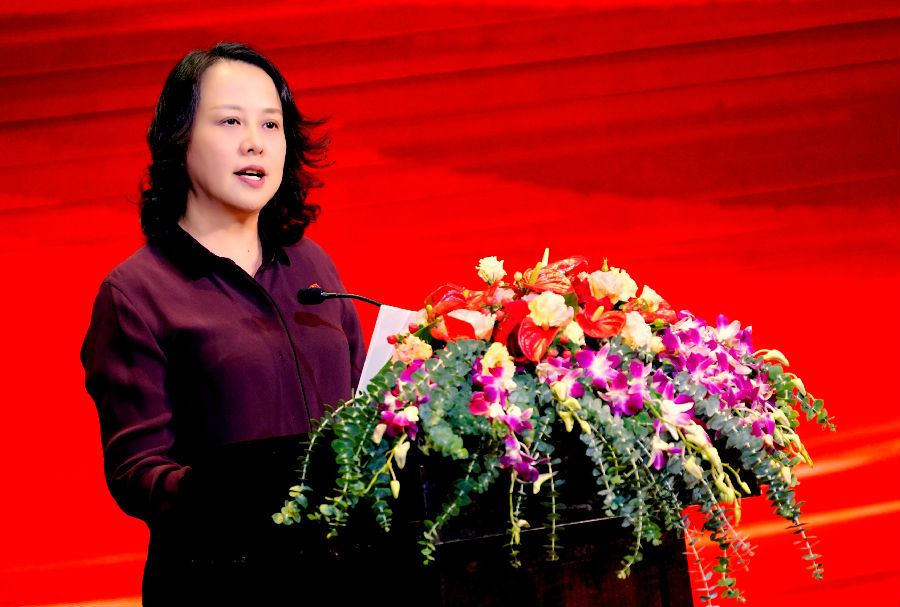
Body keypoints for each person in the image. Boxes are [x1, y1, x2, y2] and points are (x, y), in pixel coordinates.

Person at [81, 42, 366, 604]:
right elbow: (138, 472)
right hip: (223, 582)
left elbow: (362, 399)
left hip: (346, 573)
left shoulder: (312, 264)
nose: (254, 141)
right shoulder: (137, 294)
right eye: (230, 121)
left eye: (271, 124)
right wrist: (236, 490)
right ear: (180, 139)